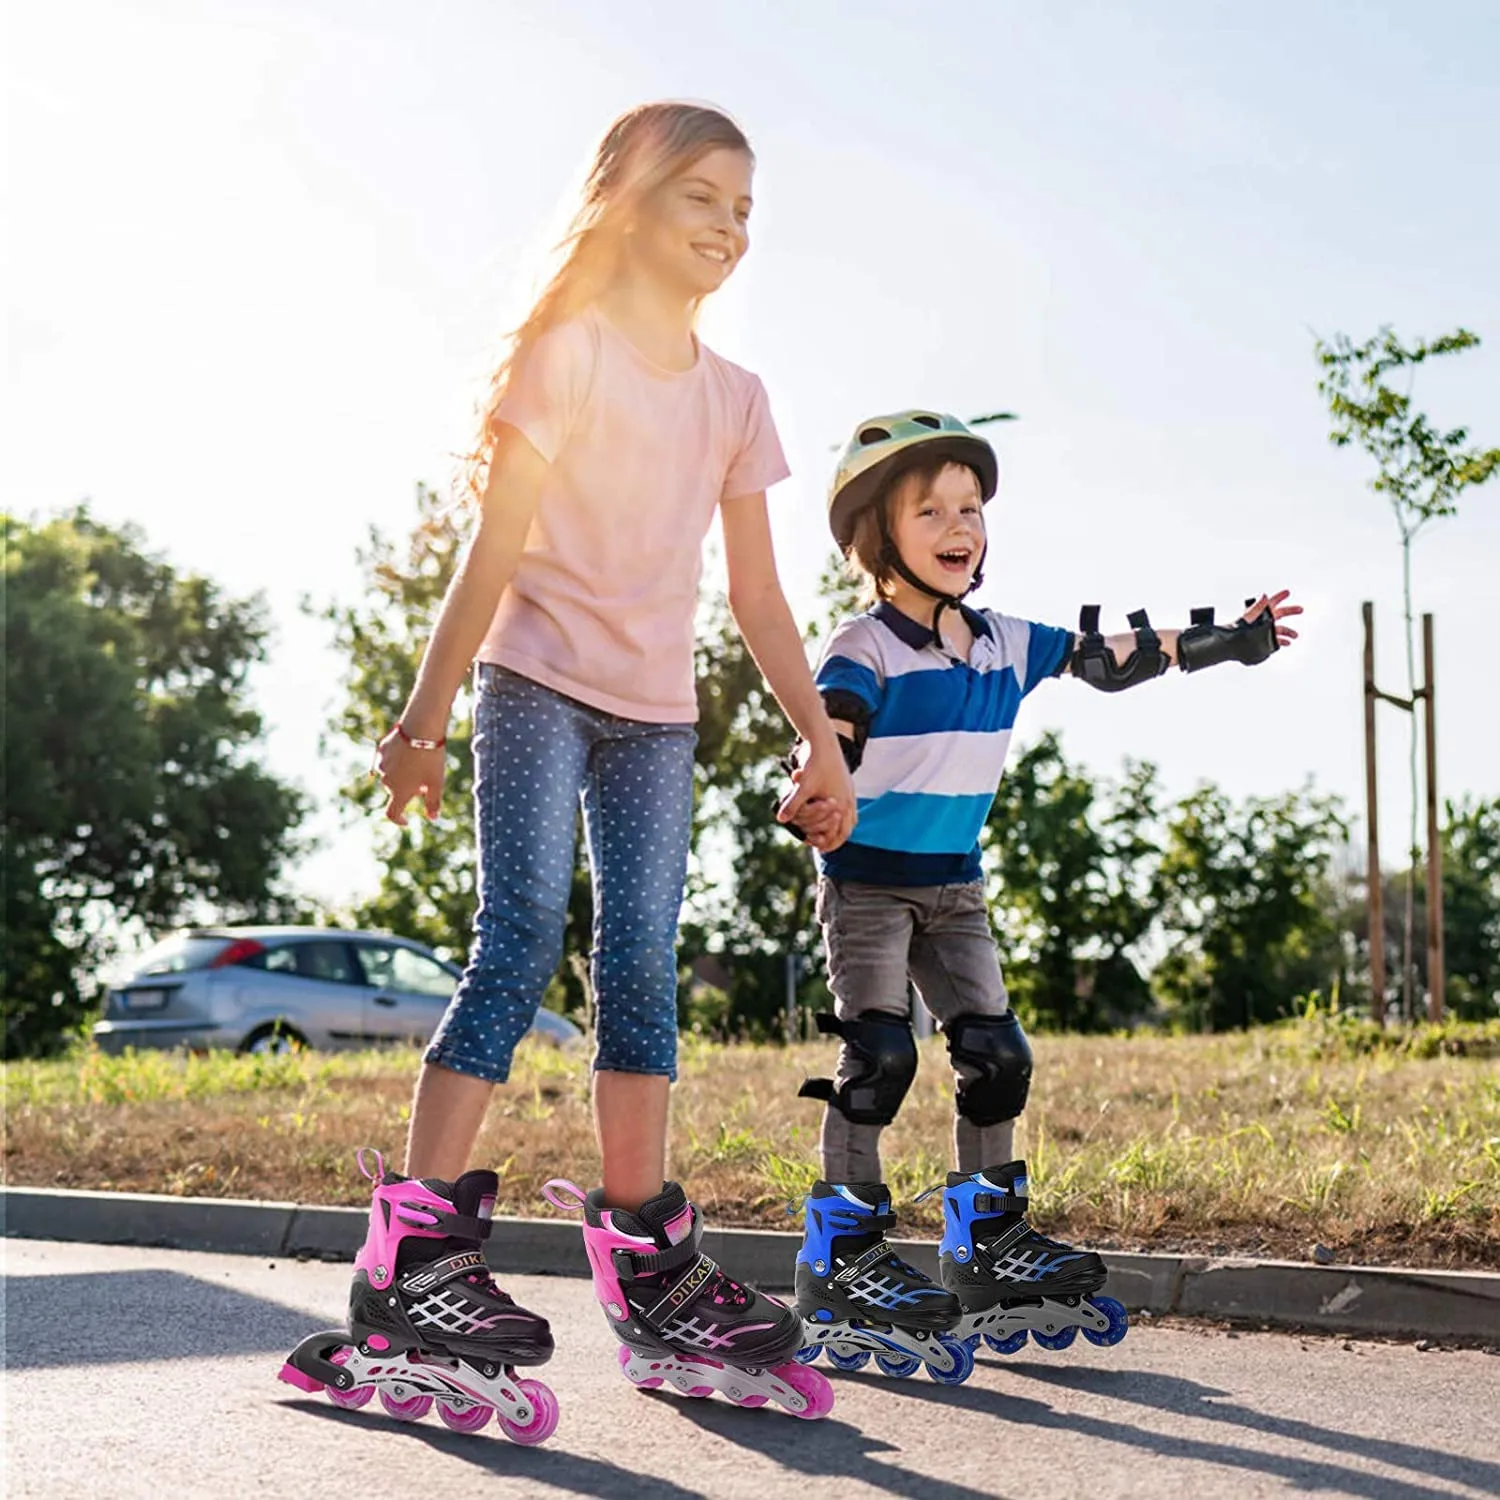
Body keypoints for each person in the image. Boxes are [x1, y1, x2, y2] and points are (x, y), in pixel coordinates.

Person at [288, 102, 854, 1428]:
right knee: (522, 930)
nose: (730, 227)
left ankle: (650, 1259)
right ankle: (413, 1260)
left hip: (659, 715)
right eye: (705, 198)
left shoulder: (737, 398)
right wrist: (423, 724)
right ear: (634, 203)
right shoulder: (569, 355)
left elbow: (761, 601)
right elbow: (488, 558)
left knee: (644, 961)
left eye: (745, 208)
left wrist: (819, 741)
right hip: (534, 684)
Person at [787, 411, 1301, 1380]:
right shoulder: (865, 644)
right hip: (867, 889)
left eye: (971, 508)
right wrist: (817, 785)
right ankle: (841, 1257)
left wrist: (1235, 638)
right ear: (875, 536)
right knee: (880, 1058)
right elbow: (832, 730)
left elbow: (1109, 655)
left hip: (955, 887)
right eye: (931, 508)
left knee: (995, 1054)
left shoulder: (1002, 642)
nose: (959, 525)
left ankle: (983, 1239)